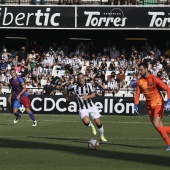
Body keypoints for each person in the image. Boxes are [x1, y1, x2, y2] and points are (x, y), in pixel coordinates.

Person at [134, 63, 170, 150]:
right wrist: (135, 105)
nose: (140, 71)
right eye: (139, 70)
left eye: (141, 70)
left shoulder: (154, 78)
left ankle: (169, 144)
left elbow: (167, 89)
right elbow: (137, 94)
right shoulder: (139, 81)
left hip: (158, 103)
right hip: (149, 105)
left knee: (156, 123)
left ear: (146, 69)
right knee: (158, 126)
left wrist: (168, 101)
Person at [66, 72, 107, 142]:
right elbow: (68, 90)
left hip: (91, 106)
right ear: (77, 80)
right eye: (79, 79)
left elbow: (94, 94)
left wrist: (87, 96)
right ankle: (91, 126)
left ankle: (101, 135)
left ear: (84, 78)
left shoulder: (88, 85)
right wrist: (67, 98)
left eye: (82, 78)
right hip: (82, 107)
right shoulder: (74, 87)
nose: (80, 80)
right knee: (86, 122)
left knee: (98, 123)